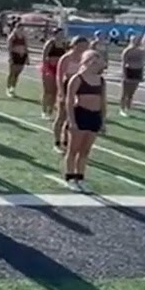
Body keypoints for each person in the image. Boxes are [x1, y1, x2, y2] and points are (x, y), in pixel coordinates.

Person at [63, 51, 107, 192]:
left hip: (94, 117)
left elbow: (103, 102)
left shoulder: (101, 80)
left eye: (97, 60)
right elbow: (69, 101)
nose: (95, 63)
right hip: (80, 114)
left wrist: (103, 121)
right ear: (86, 61)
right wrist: (72, 121)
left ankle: (80, 178)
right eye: (93, 60)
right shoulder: (77, 78)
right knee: (73, 150)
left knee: (85, 151)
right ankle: (70, 177)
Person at [51, 36, 89, 151]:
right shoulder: (66, 58)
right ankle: (57, 142)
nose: (83, 49)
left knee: (72, 117)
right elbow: (59, 76)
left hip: (79, 88)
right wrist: (62, 93)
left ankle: (67, 141)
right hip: (67, 86)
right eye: (81, 46)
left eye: (85, 47)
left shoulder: (85, 58)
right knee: (61, 116)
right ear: (74, 45)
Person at [118, 25, 145, 116]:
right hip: (129, 71)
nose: (137, 41)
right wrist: (124, 74)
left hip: (137, 71)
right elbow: (123, 63)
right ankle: (122, 108)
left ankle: (128, 107)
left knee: (131, 93)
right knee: (124, 92)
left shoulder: (140, 50)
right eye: (135, 40)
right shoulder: (127, 51)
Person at [39, 29, 68, 119]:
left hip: (59, 68)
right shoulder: (50, 43)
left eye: (62, 34)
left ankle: (50, 110)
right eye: (59, 34)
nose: (61, 35)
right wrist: (46, 67)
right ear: (55, 34)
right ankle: (44, 110)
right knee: (48, 91)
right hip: (49, 67)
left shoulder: (64, 44)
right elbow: (44, 55)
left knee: (56, 91)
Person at [4, 22, 28, 98]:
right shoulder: (12, 36)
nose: (21, 30)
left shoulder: (24, 37)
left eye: (22, 29)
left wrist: (27, 57)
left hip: (22, 56)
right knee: (12, 73)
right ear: (16, 28)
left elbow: (26, 48)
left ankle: (12, 88)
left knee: (17, 74)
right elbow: (9, 48)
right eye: (20, 28)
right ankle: (8, 88)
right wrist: (10, 57)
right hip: (14, 55)